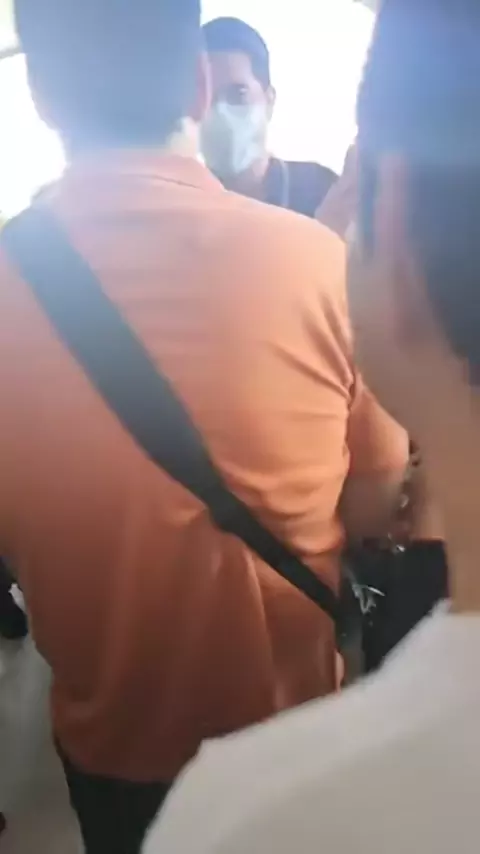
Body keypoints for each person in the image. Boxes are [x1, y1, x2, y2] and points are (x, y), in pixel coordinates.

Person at [1, 1, 407, 851]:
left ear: (38, 94)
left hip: (111, 752)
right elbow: (374, 507)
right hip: (286, 735)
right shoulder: (319, 263)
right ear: (195, 82)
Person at [143, 1, 480, 852]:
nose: (225, 114)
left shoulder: (251, 814)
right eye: (212, 96)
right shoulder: (187, 228)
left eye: (241, 93)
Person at [202, 17, 337, 217]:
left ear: (269, 101)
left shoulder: (321, 192)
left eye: (238, 94)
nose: (221, 112)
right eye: (206, 97)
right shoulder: (180, 207)